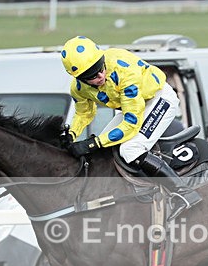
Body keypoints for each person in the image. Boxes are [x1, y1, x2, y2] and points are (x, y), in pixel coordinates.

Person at [60, 35, 200, 217]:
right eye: (91, 76)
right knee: (103, 151)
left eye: (100, 68)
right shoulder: (78, 88)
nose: (100, 76)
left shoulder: (123, 70)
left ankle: (184, 193)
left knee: (130, 148)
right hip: (133, 106)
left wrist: (92, 143)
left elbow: (130, 125)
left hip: (159, 98)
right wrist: (71, 134)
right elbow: (83, 113)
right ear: (79, 78)